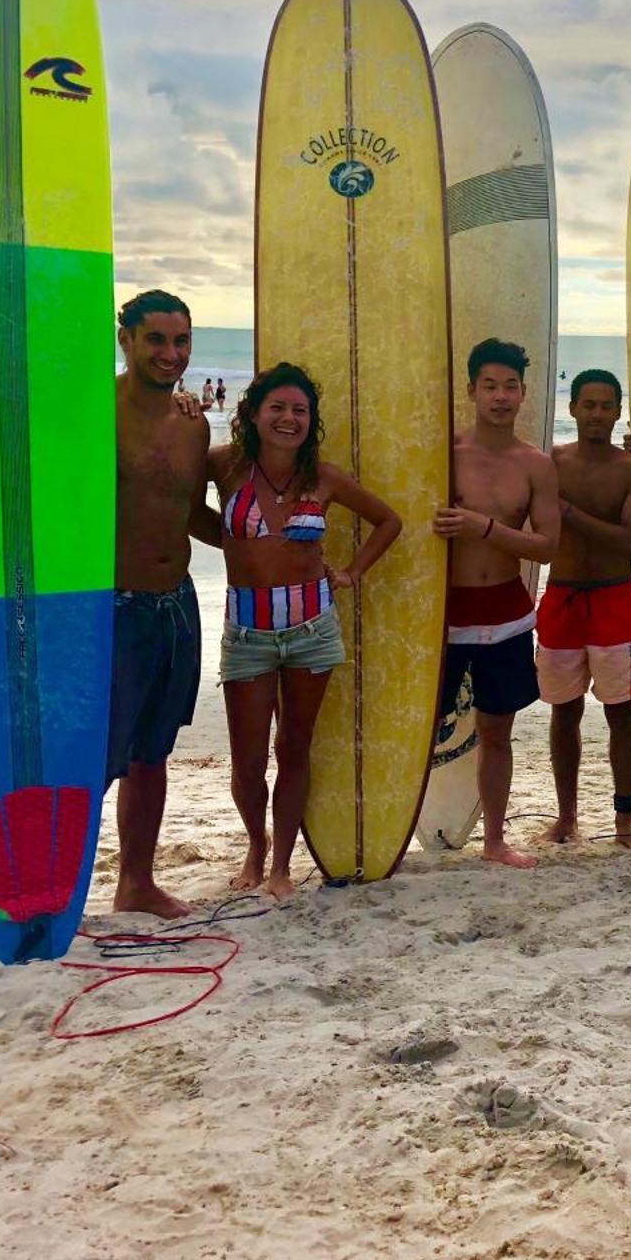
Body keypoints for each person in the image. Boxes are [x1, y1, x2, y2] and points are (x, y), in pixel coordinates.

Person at [0, 290, 215, 918]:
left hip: (176, 606)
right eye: (156, 340)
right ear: (124, 339)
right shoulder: (86, 410)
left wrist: (271, 547)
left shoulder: (194, 422)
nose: (171, 354)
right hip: (109, 611)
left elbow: (190, 517)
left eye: (181, 341)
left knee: (151, 754)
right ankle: (55, 886)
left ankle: (136, 881)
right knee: (87, 757)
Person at [212, 363, 401, 900]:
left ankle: (281, 868)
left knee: (293, 750)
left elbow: (389, 521)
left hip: (312, 631)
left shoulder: (326, 478)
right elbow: (173, 495)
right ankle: (256, 844)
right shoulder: (227, 466)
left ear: (310, 420)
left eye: (299, 410)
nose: (288, 419)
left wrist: (351, 572)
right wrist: (231, 545)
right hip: (247, 632)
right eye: (277, 407)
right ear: (253, 412)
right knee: (248, 763)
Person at [433, 338, 561, 869]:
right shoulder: (444, 456)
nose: (501, 396)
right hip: (444, 614)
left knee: (496, 733)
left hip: (506, 612)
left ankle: (493, 841)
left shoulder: (534, 465)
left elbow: (548, 545)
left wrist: (485, 527)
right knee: (423, 731)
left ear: (524, 394)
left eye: (510, 387)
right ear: (471, 390)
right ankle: (392, 832)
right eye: (490, 386)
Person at [536, 369, 631, 850]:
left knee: (621, 712)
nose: (597, 415)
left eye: (607, 406)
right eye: (589, 405)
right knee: (563, 713)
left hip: (616, 602)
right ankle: (567, 818)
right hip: (562, 599)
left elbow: (629, 542)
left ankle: (625, 819)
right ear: (572, 409)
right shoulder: (551, 463)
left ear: (618, 410)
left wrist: (567, 513)